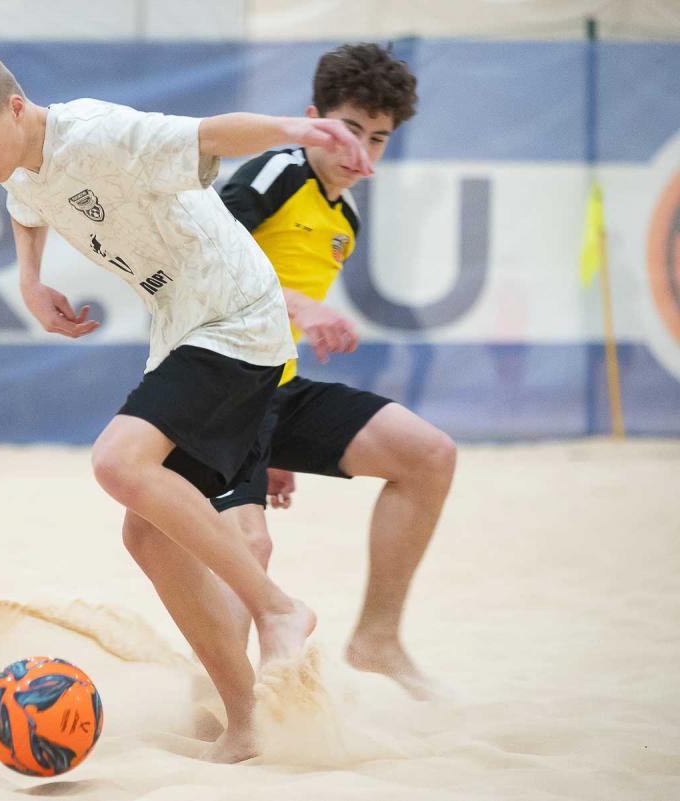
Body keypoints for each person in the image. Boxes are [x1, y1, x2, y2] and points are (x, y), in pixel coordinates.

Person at [0, 44, 373, 762]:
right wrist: (30, 279)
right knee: (148, 536)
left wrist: (297, 129)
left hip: (235, 316)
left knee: (118, 462)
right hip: (180, 328)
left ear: (16, 107)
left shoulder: (98, 134)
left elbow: (210, 134)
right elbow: (26, 204)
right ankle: (247, 720)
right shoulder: (17, 163)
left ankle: (277, 609)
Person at [213, 43, 457, 700]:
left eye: (378, 139)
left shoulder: (343, 216)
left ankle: (376, 640)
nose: (361, 153)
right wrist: (299, 304)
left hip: (273, 387)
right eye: (349, 130)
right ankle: (223, 698)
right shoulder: (279, 170)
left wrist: (274, 446)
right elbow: (204, 256)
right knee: (249, 544)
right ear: (312, 118)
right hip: (215, 386)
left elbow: (275, 333)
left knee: (429, 456)